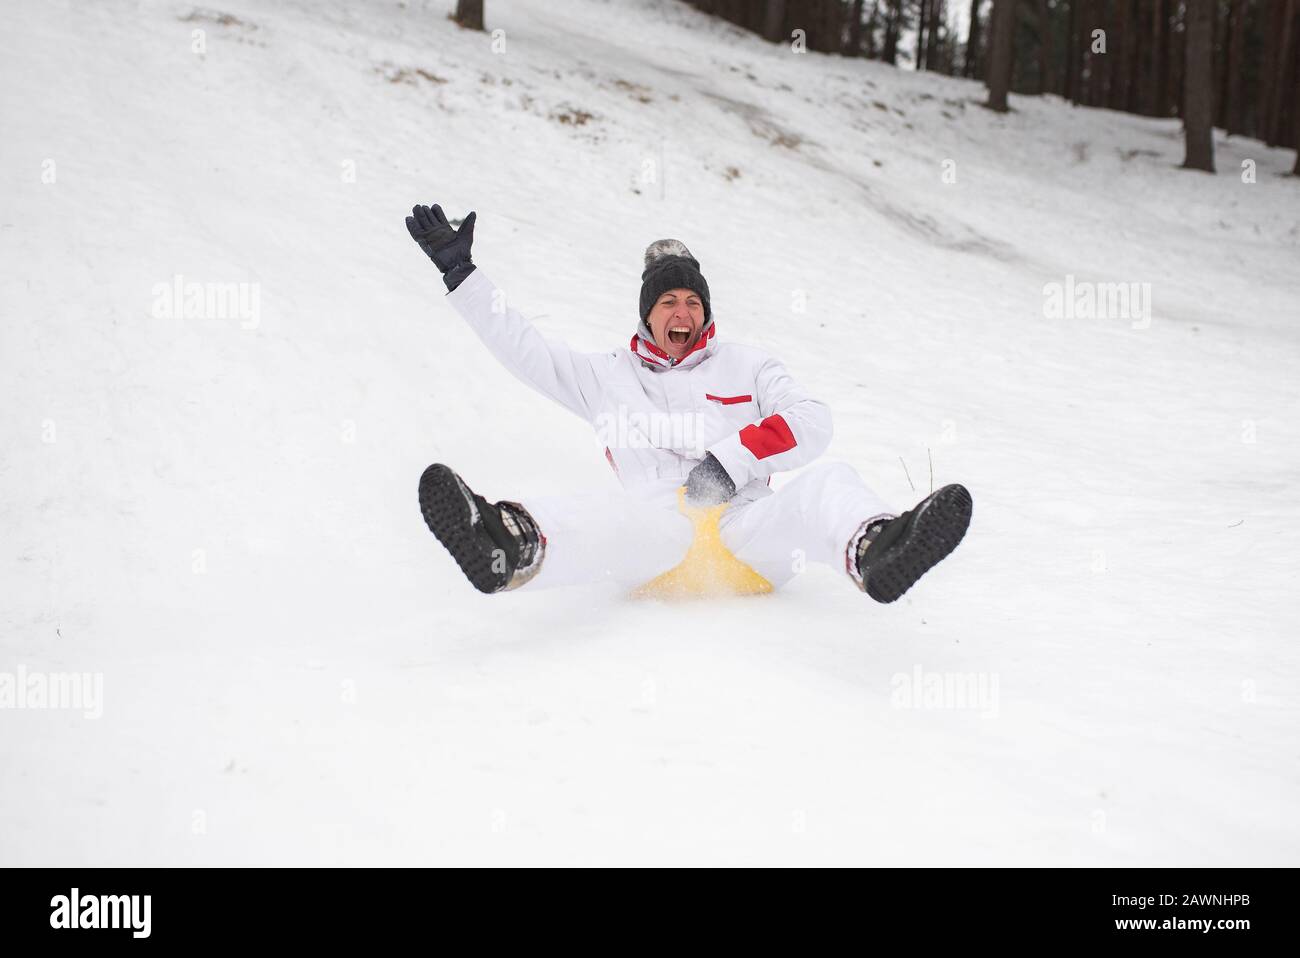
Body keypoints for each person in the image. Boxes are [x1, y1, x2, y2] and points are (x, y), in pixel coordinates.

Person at [406, 203, 972, 602]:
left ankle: (877, 549)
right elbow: (524, 349)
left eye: (693, 301)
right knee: (604, 513)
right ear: (647, 314)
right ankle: (504, 544)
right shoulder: (606, 376)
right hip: (655, 534)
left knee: (829, 483)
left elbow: (812, 422)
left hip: (750, 532)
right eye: (669, 301)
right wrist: (463, 275)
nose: (683, 313)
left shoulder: (749, 366)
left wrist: (730, 464)